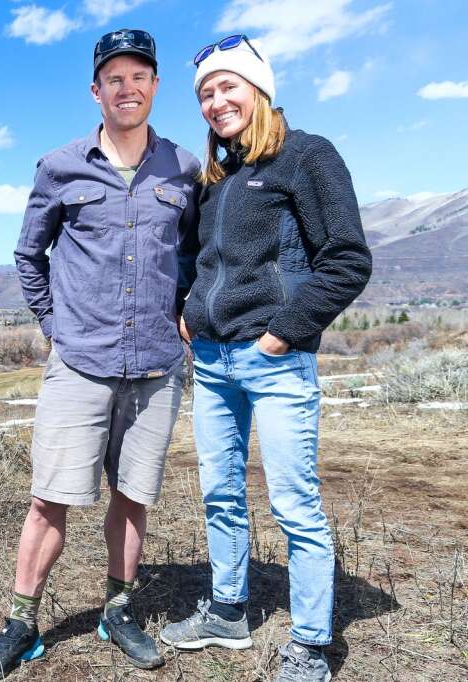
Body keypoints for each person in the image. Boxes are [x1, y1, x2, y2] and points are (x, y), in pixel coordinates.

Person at [0, 29, 200, 681]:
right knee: (49, 498)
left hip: (155, 367)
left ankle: (117, 611)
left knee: (132, 497)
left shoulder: (182, 170)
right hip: (78, 362)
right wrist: (51, 324)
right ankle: (19, 625)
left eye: (139, 77)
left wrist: (184, 312)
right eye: (114, 79)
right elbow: (27, 253)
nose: (127, 89)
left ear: (155, 87)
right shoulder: (58, 166)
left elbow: (193, 255)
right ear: (95, 91)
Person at [159, 35, 372, 682]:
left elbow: (346, 259)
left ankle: (309, 644)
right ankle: (227, 611)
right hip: (214, 364)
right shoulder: (216, 179)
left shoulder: (305, 156)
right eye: (204, 93)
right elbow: (197, 259)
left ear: (258, 89)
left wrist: (283, 332)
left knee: (293, 504)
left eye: (227, 86)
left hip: (272, 361)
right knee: (220, 495)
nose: (215, 101)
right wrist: (183, 306)